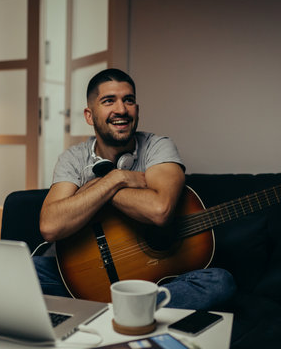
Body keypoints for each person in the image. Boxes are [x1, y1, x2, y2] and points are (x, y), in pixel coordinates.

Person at [33, 68, 235, 309]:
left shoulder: (158, 147)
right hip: (78, 275)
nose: (121, 109)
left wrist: (94, 193)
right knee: (23, 270)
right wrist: (115, 179)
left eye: (128, 100)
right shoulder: (73, 158)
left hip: (147, 283)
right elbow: (50, 225)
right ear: (89, 115)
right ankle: (131, 311)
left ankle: (117, 310)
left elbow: (159, 210)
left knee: (219, 282)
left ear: (136, 110)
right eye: (109, 101)